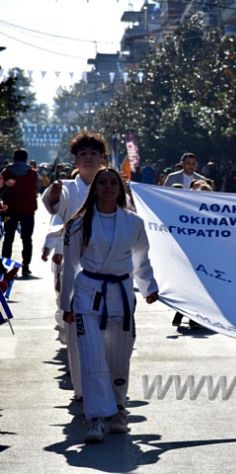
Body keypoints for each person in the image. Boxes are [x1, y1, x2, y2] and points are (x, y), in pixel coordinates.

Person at [60, 167, 159, 443]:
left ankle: (119, 410)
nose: (106, 187)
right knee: (92, 358)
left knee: (118, 358)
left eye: (112, 182)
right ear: (95, 189)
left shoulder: (133, 223)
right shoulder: (79, 223)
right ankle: (96, 417)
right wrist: (65, 303)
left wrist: (149, 287)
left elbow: (142, 260)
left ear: (120, 188)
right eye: (101, 182)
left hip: (121, 296)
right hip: (86, 296)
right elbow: (71, 265)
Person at [42, 131, 110, 402]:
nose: (89, 158)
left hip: (106, 263)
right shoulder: (67, 187)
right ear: (76, 161)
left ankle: (103, 371)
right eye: (83, 154)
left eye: (94, 154)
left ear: (103, 159)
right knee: (71, 315)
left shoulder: (112, 185)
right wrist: (55, 251)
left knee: (105, 320)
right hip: (73, 261)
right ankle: (81, 381)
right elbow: (54, 210)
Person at [1, 149, 38, 277]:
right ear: (26, 159)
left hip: (9, 210)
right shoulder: (33, 174)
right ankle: (26, 267)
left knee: (8, 238)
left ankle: (5, 266)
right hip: (28, 210)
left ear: (14, 158)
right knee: (27, 239)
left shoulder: (6, 172)